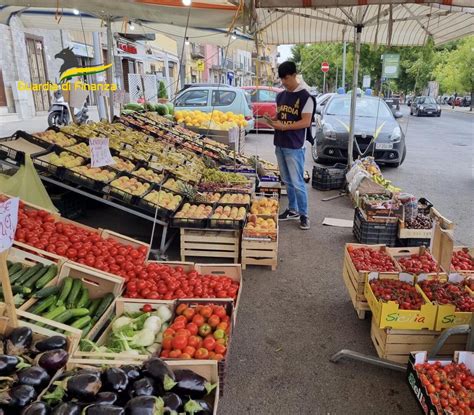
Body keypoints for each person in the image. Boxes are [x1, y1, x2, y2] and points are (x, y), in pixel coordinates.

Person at [268, 61, 314, 230]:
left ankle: (304, 214)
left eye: (286, 78)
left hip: (295, 145)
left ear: (294, 75)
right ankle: (292, 209)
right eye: (282, 79)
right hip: (280, 143)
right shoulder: (280, 96)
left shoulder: (305, 97)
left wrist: (285, 126)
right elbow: (280, 118)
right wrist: (271, 120)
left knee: (297, 181)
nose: (284, 82)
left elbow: (306, 121)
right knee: (287, 180)